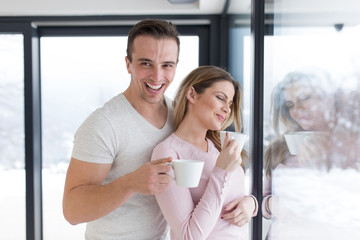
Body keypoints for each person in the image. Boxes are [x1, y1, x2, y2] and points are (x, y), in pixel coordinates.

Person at [62, 19, 180, 240]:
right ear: (128, 64)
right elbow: (72, 211)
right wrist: (130, 183)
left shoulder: (180, 116)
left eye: (167, 65)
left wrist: (248, 204)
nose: (157, 76)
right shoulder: (103, 124)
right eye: (146, 63)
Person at [151, 66, 258, 240]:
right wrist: (221, 170)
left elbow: (230, 196)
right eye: (220, 98)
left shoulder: (218, 147)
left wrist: (251, 204)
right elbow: (189, 235)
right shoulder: (169, 152)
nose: (227, 109)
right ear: (192, 95)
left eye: (230, 104)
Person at [262, 68, 360, 239]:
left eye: (304, 98)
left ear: (326, 98)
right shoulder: (281, 148)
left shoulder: (348, 147)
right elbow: (261, 200)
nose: (297, 109)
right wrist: (273, 204)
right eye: (290, 105)